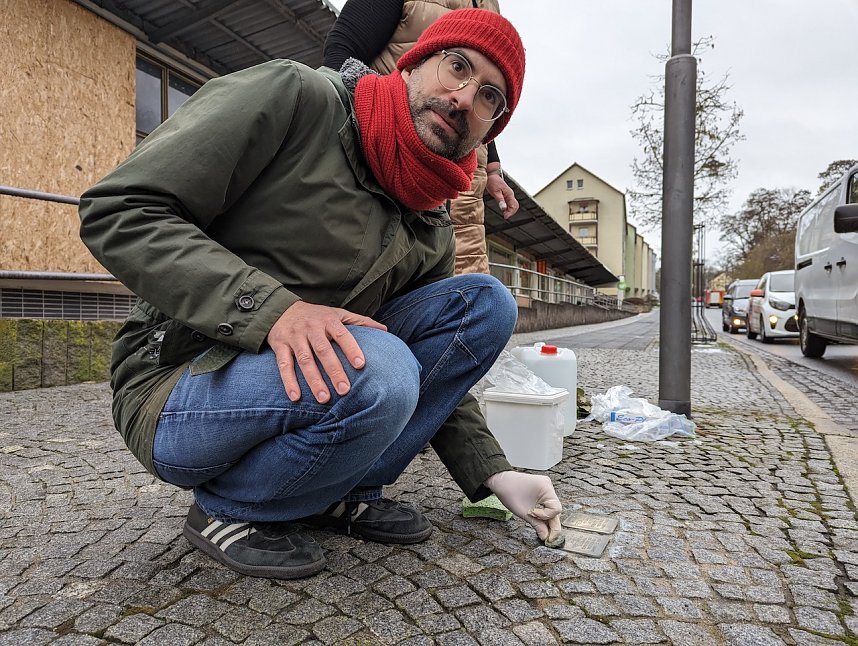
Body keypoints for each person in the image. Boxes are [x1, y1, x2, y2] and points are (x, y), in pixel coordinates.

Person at [79, 9, 562, 580]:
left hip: (314, 374)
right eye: (456, 67)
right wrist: (272, 312)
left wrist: (491, 472)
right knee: (382, 370)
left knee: (484, 305)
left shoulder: (429, 211)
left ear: (490, 130)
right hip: (179, 382)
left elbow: (438, 363)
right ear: (412, 63)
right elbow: (119, 210)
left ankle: (336, 491)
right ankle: (231, 507)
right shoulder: (294, 96)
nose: (462, 98)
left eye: (489, 97)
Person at [324, 0, 520, 276]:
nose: (464, 99)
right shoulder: (294, 89)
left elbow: (487, 101)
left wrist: (493, 168)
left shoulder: (490, 6)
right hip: (385, 149)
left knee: (469, 276)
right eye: (457, 66)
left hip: (460, 171)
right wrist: (368, 122)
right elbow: (343, 48)